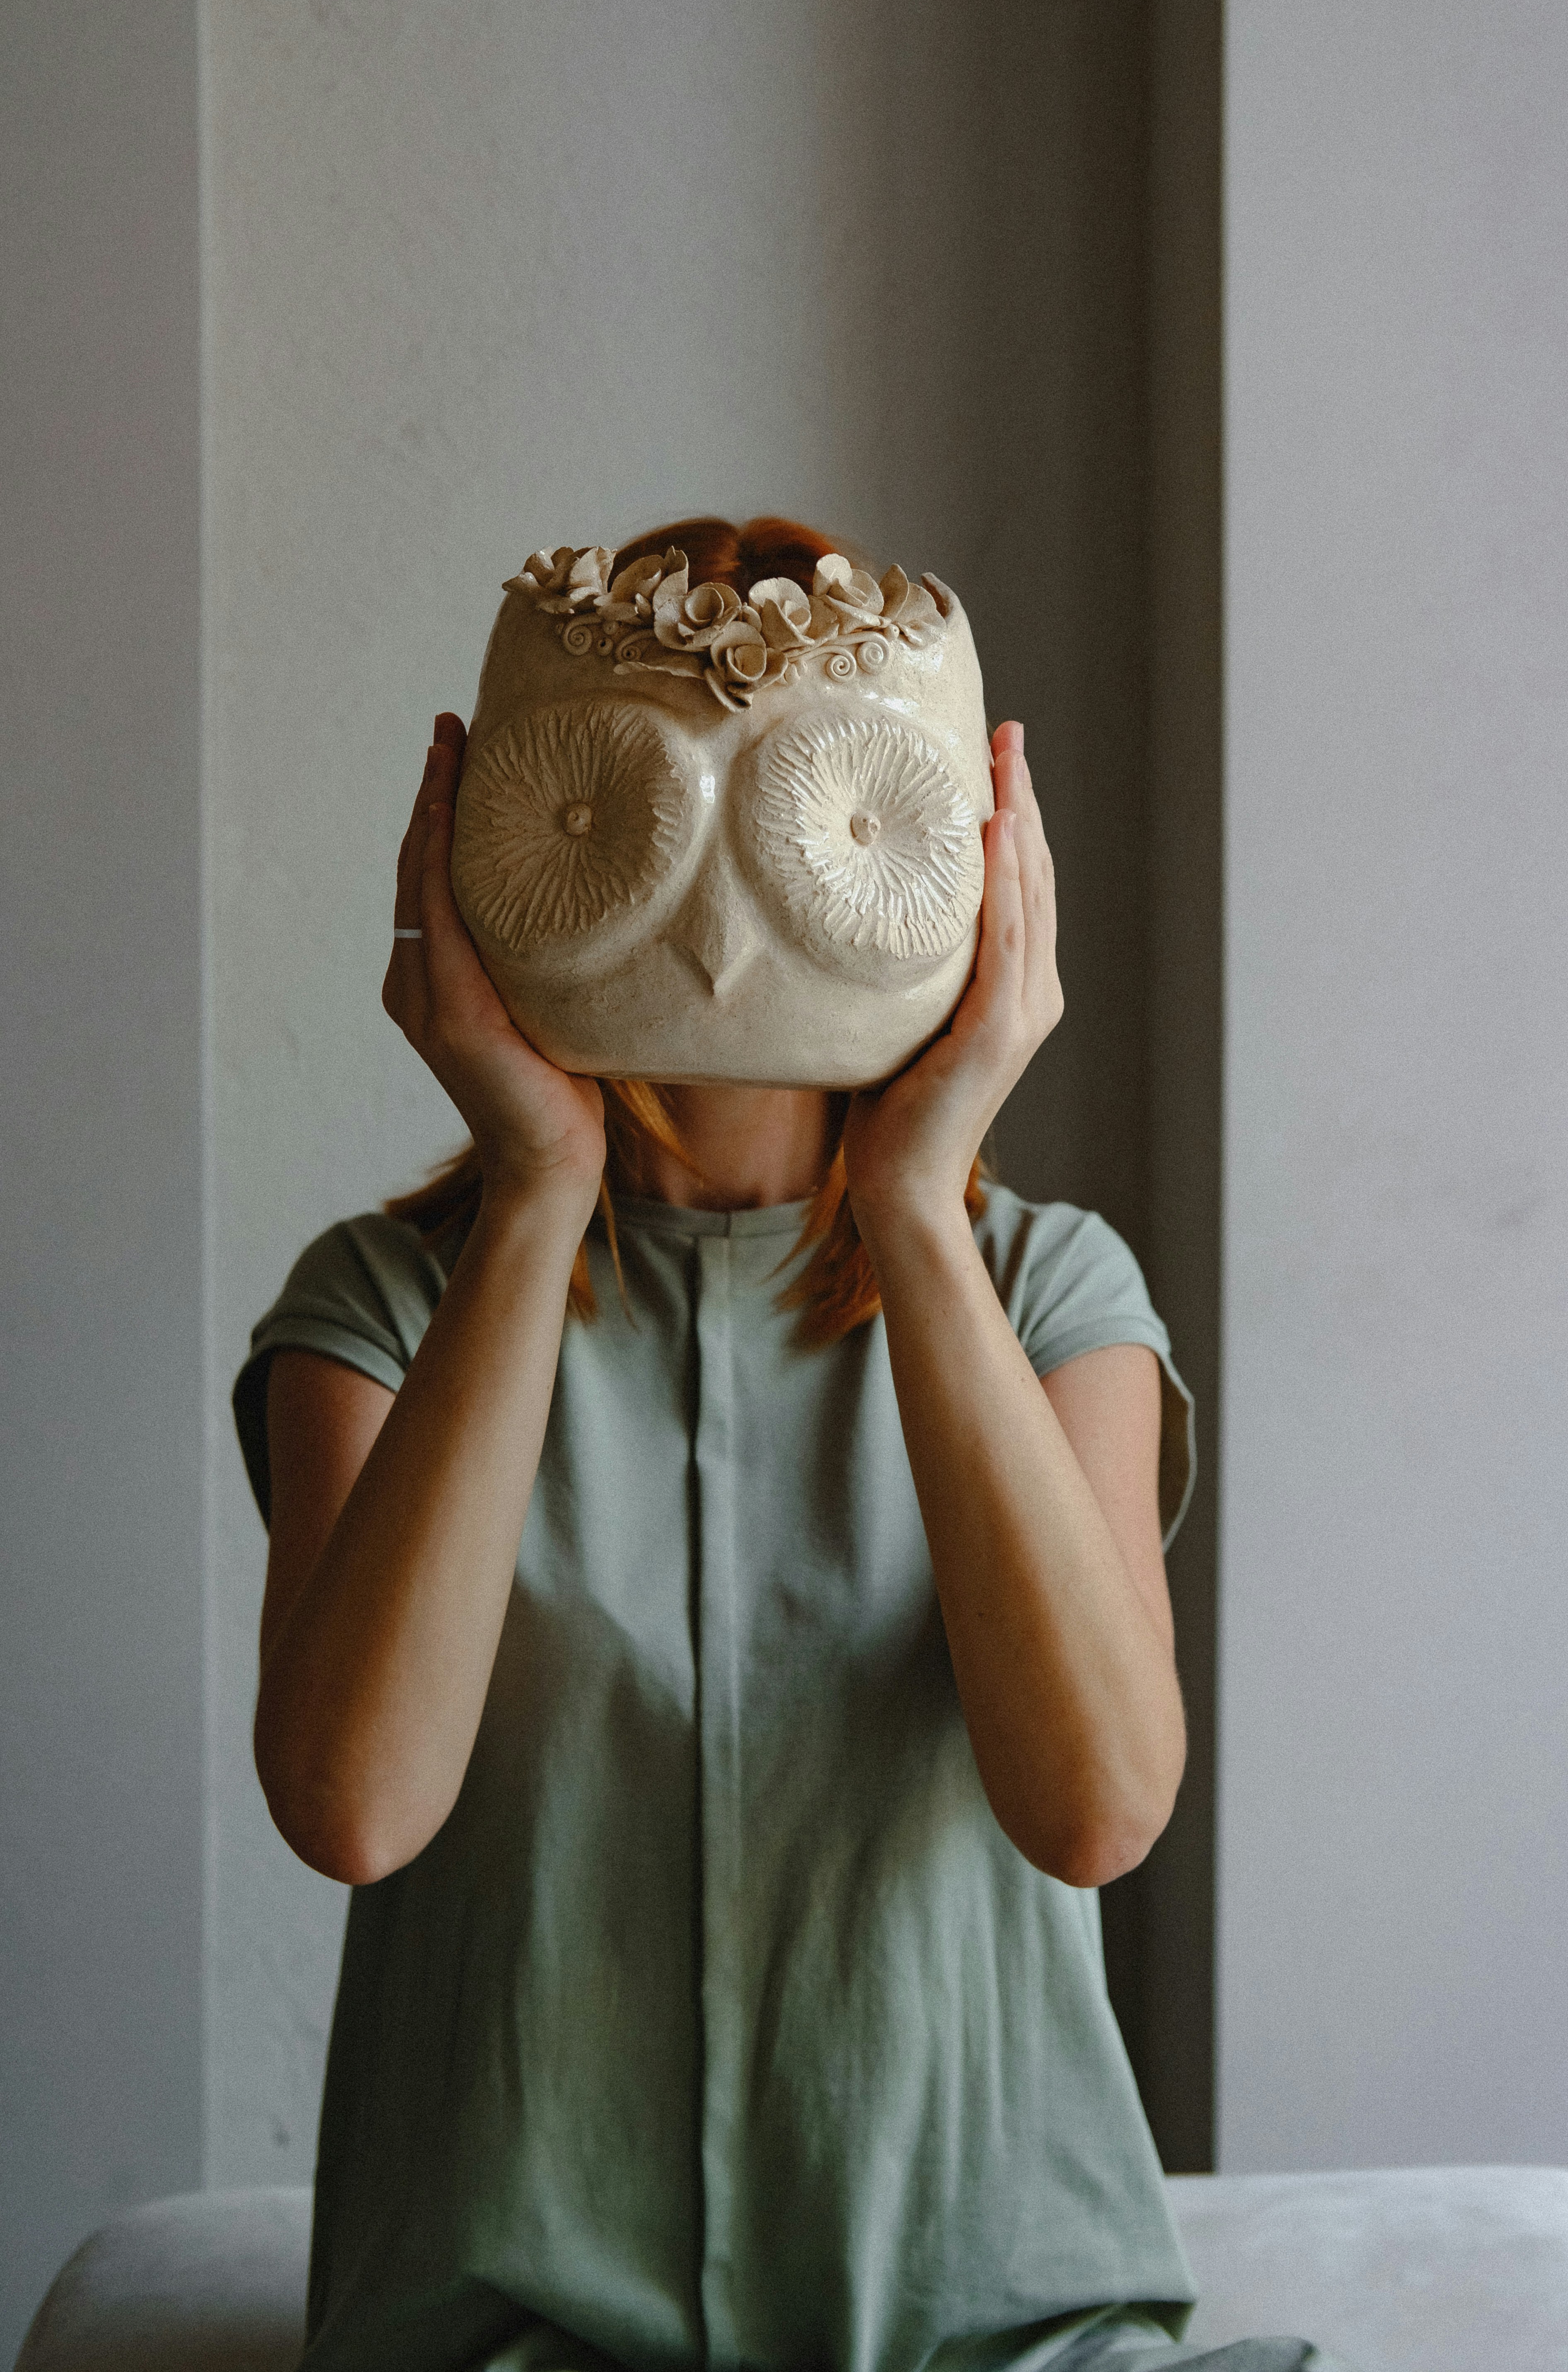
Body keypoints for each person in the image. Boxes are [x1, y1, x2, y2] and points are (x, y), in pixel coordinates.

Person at [234, 521, 1335, 2372]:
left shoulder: (1046, 1289)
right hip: (509, 2329)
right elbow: (356, 1806)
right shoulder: (386, 1308)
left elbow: (1096, 1806)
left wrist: (915, 1204)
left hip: (996, 2328)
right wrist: (531, 1198)